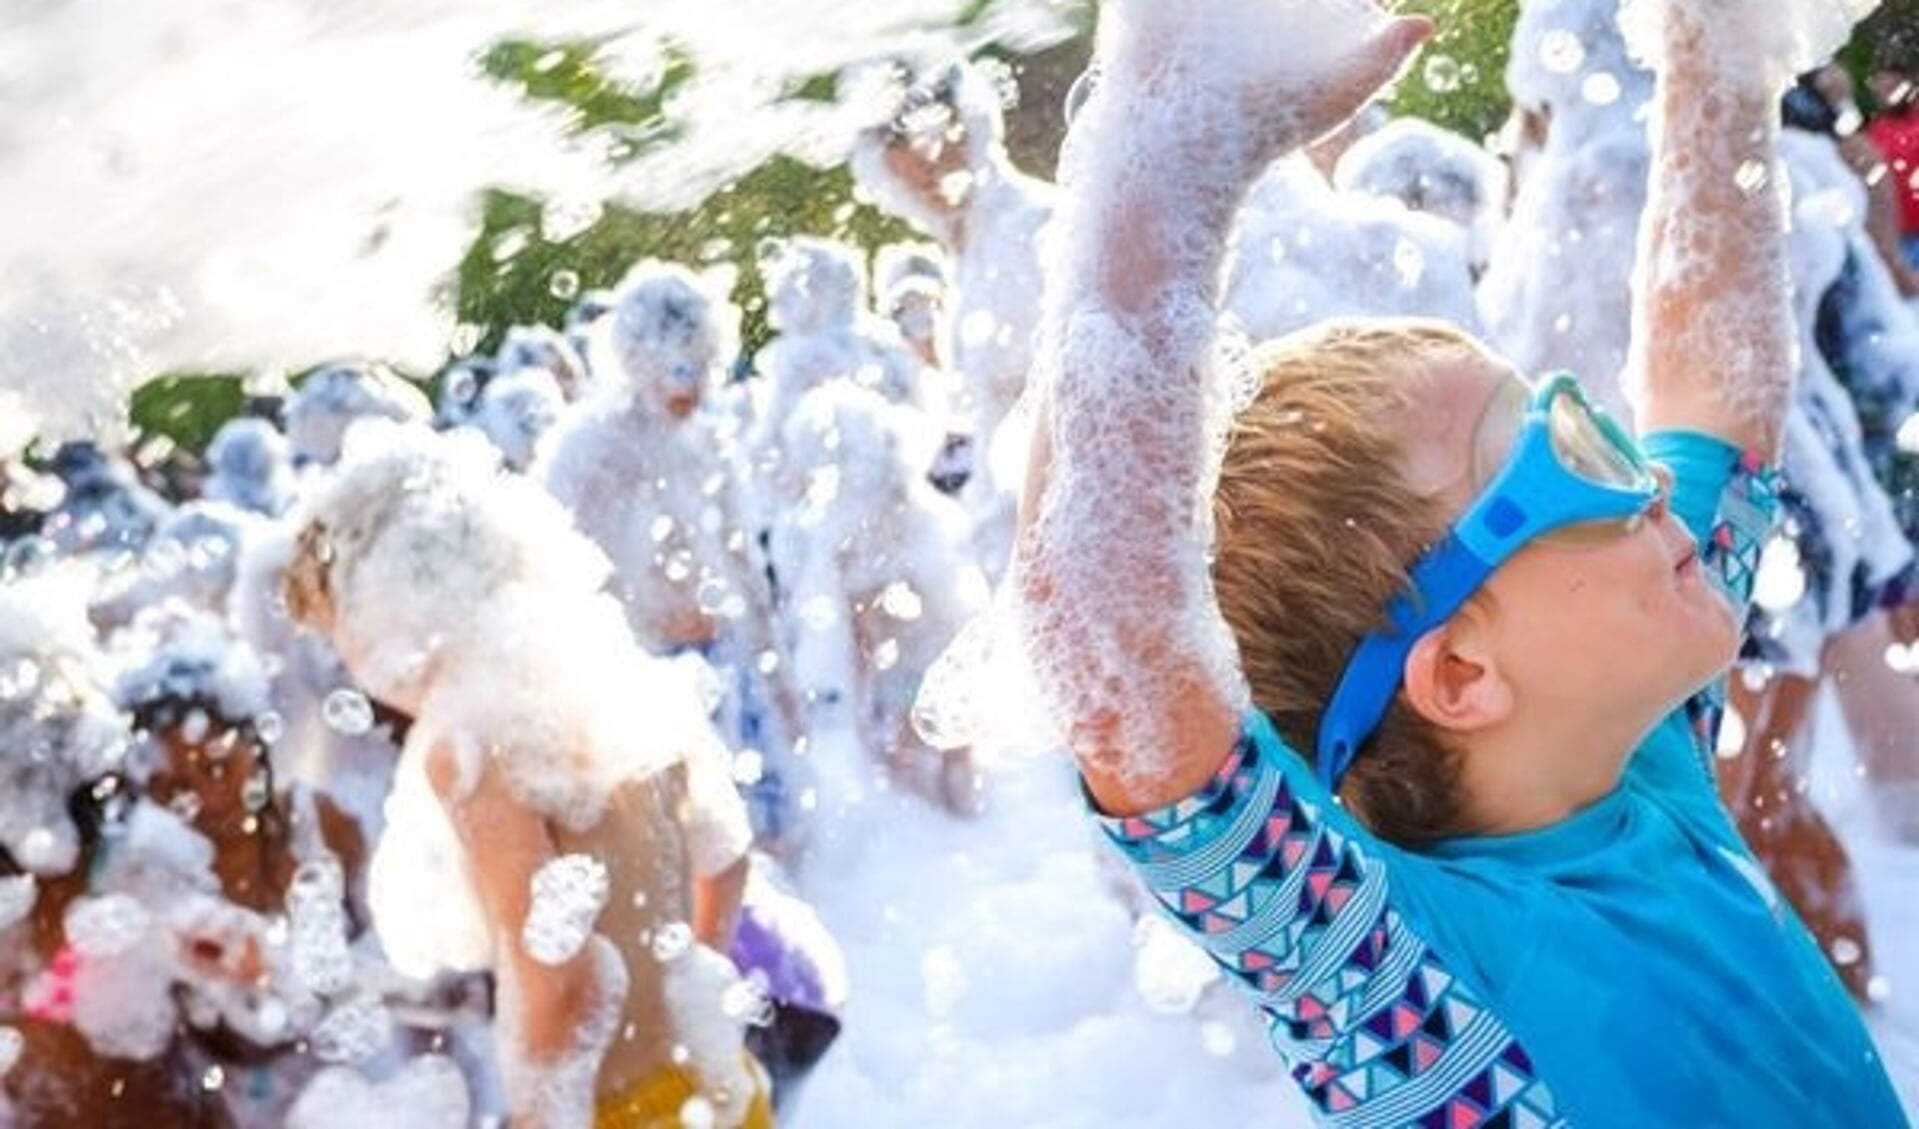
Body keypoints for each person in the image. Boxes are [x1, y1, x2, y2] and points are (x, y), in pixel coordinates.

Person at [1012, 1, 1906, 1125]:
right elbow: (1108, 650)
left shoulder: (1642, 759)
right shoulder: (1403, 982)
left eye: (1584, 421)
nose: (1645, 475)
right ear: (1459, 675)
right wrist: (1173, 147)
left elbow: (1712, 388)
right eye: (1564, 459)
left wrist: (1712, 46)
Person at [282, 424, 769, 1128]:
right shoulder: (608, 670)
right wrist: (682, 988)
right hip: (714, 1084)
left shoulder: (471, 745)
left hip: (620, 1111)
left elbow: (560, 978)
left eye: (340, 631)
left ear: (396, 606)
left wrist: (537, 1117)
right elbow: (725, 859)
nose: (349, 660)